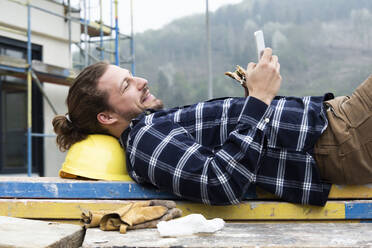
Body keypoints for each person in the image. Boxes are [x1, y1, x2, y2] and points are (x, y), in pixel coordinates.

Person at [53, 48, 372, 206]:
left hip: (334, 128)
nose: (142, 81)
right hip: (336, 137)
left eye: (132, 75)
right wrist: (260, 99)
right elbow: (219, 180)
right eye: (126, 86)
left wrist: (251, 100)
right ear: (106, 118)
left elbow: (231, 151)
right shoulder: (143, 141)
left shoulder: (152, 126)